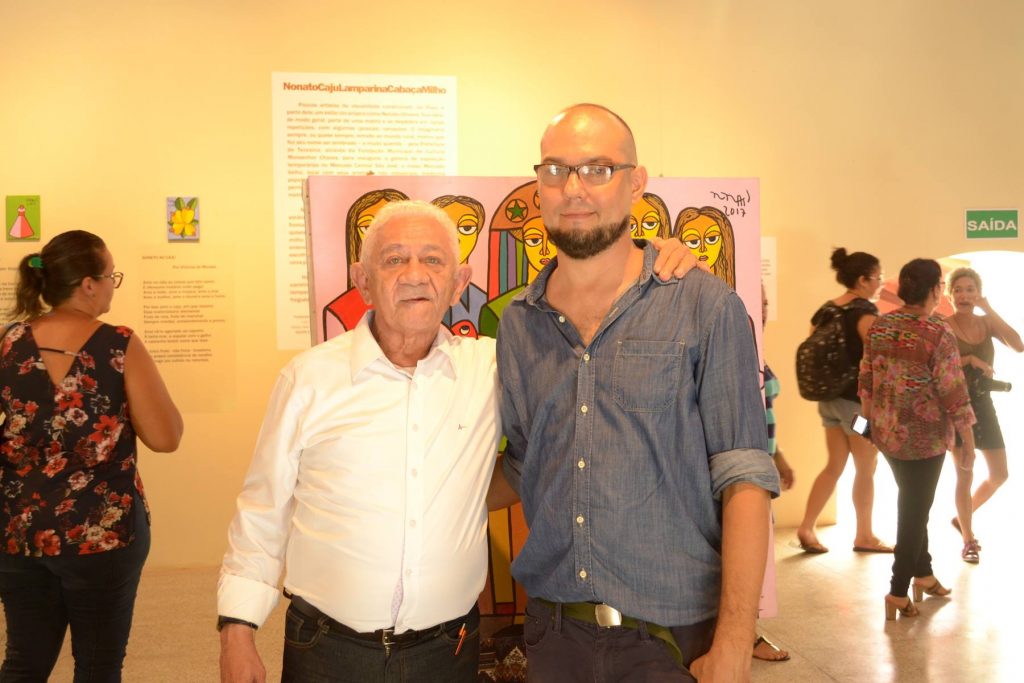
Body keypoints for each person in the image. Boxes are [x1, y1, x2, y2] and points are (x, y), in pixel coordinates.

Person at [216, 199, 705, 682]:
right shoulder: (307, 379)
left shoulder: (491, 367)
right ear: (362, 281)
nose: (414, 274)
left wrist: (649, 261)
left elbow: (586, 361)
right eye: (394, 259)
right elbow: (263, 509)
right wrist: (237, 631)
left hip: (446, 653)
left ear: (458, 283)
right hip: (327, 648)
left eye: (433, 260)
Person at [495, 103, 780, 681]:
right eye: (556, 170)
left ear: (636, 182)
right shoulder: (520, 324)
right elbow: (525, 464)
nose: (574, 188)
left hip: (671, 644)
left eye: (597, 169)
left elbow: (745, 478)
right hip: (555, 638)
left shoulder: (705, 306)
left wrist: (735, 640)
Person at [0, 230, 183, 680]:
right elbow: (165, 437)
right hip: (103, 533)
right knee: (99, 665)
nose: (111, 287)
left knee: (25, 661)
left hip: (21, 530)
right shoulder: (118, 345)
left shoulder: (8, 342)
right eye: (110, 277)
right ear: (87, 284)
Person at [859, 258, 976, 620]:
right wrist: (968, 439)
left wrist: (870, 420)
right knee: (913, 510)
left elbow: (866, 377)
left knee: (913, 502)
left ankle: (923, 574)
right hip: (924, 439)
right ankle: (897, 591)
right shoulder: (937, 331)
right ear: (935, 289)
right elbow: (952, 389)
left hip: (886, 432)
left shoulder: (881, 325)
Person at [796, 248, 892, 554]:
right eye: (878, 277)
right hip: (856, 406)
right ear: (863, 280)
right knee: (866, 466)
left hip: (829, 402)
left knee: (834, 465)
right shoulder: (864, 312)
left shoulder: (827, 309)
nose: (880, 283)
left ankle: (806, 527)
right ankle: (864, 535)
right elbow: (880, 357)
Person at [944, 267, 1023, 563]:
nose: (964, 295)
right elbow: (939, 366)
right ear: (950, 295)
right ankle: (968, 539)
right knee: (965, 473)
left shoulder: (986, 322)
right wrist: (969, 358)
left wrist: (988, 309)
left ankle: (962, 518)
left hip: (983, 404)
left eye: (970, 289)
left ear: (978, 293)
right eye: (958, 290)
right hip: (956, 404)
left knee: (1000, 474)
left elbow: (1018, 345)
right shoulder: (944, 325)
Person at [754, 285, 793, 664]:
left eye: (765, 302)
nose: (763, 308)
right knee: (749, 556)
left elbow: (767, 414)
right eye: (757, 301)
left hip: (762, 468)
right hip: (745, 477)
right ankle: (746, 636)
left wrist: (779, 458)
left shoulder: (758, 350)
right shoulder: (737, 348)